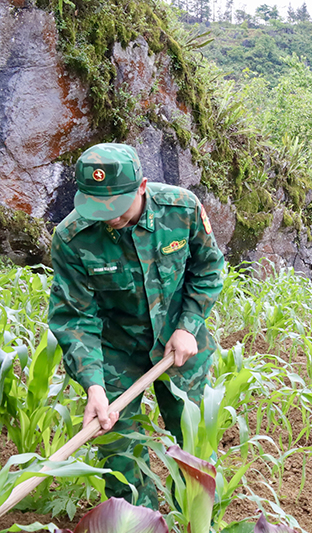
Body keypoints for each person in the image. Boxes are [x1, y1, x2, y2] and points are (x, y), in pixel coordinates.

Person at [48, 143, 225, 509]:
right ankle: (137, 532)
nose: (107, 217)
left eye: (114, 206)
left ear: (142, 186)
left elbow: (207, 267)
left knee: (191, 443)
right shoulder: (72, 238)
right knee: (119, 451)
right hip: (116, 352)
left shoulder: (181, 208)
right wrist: (93, 384)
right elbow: (75, 316)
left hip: (181, 343)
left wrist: (189, 324)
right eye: (97, 206)